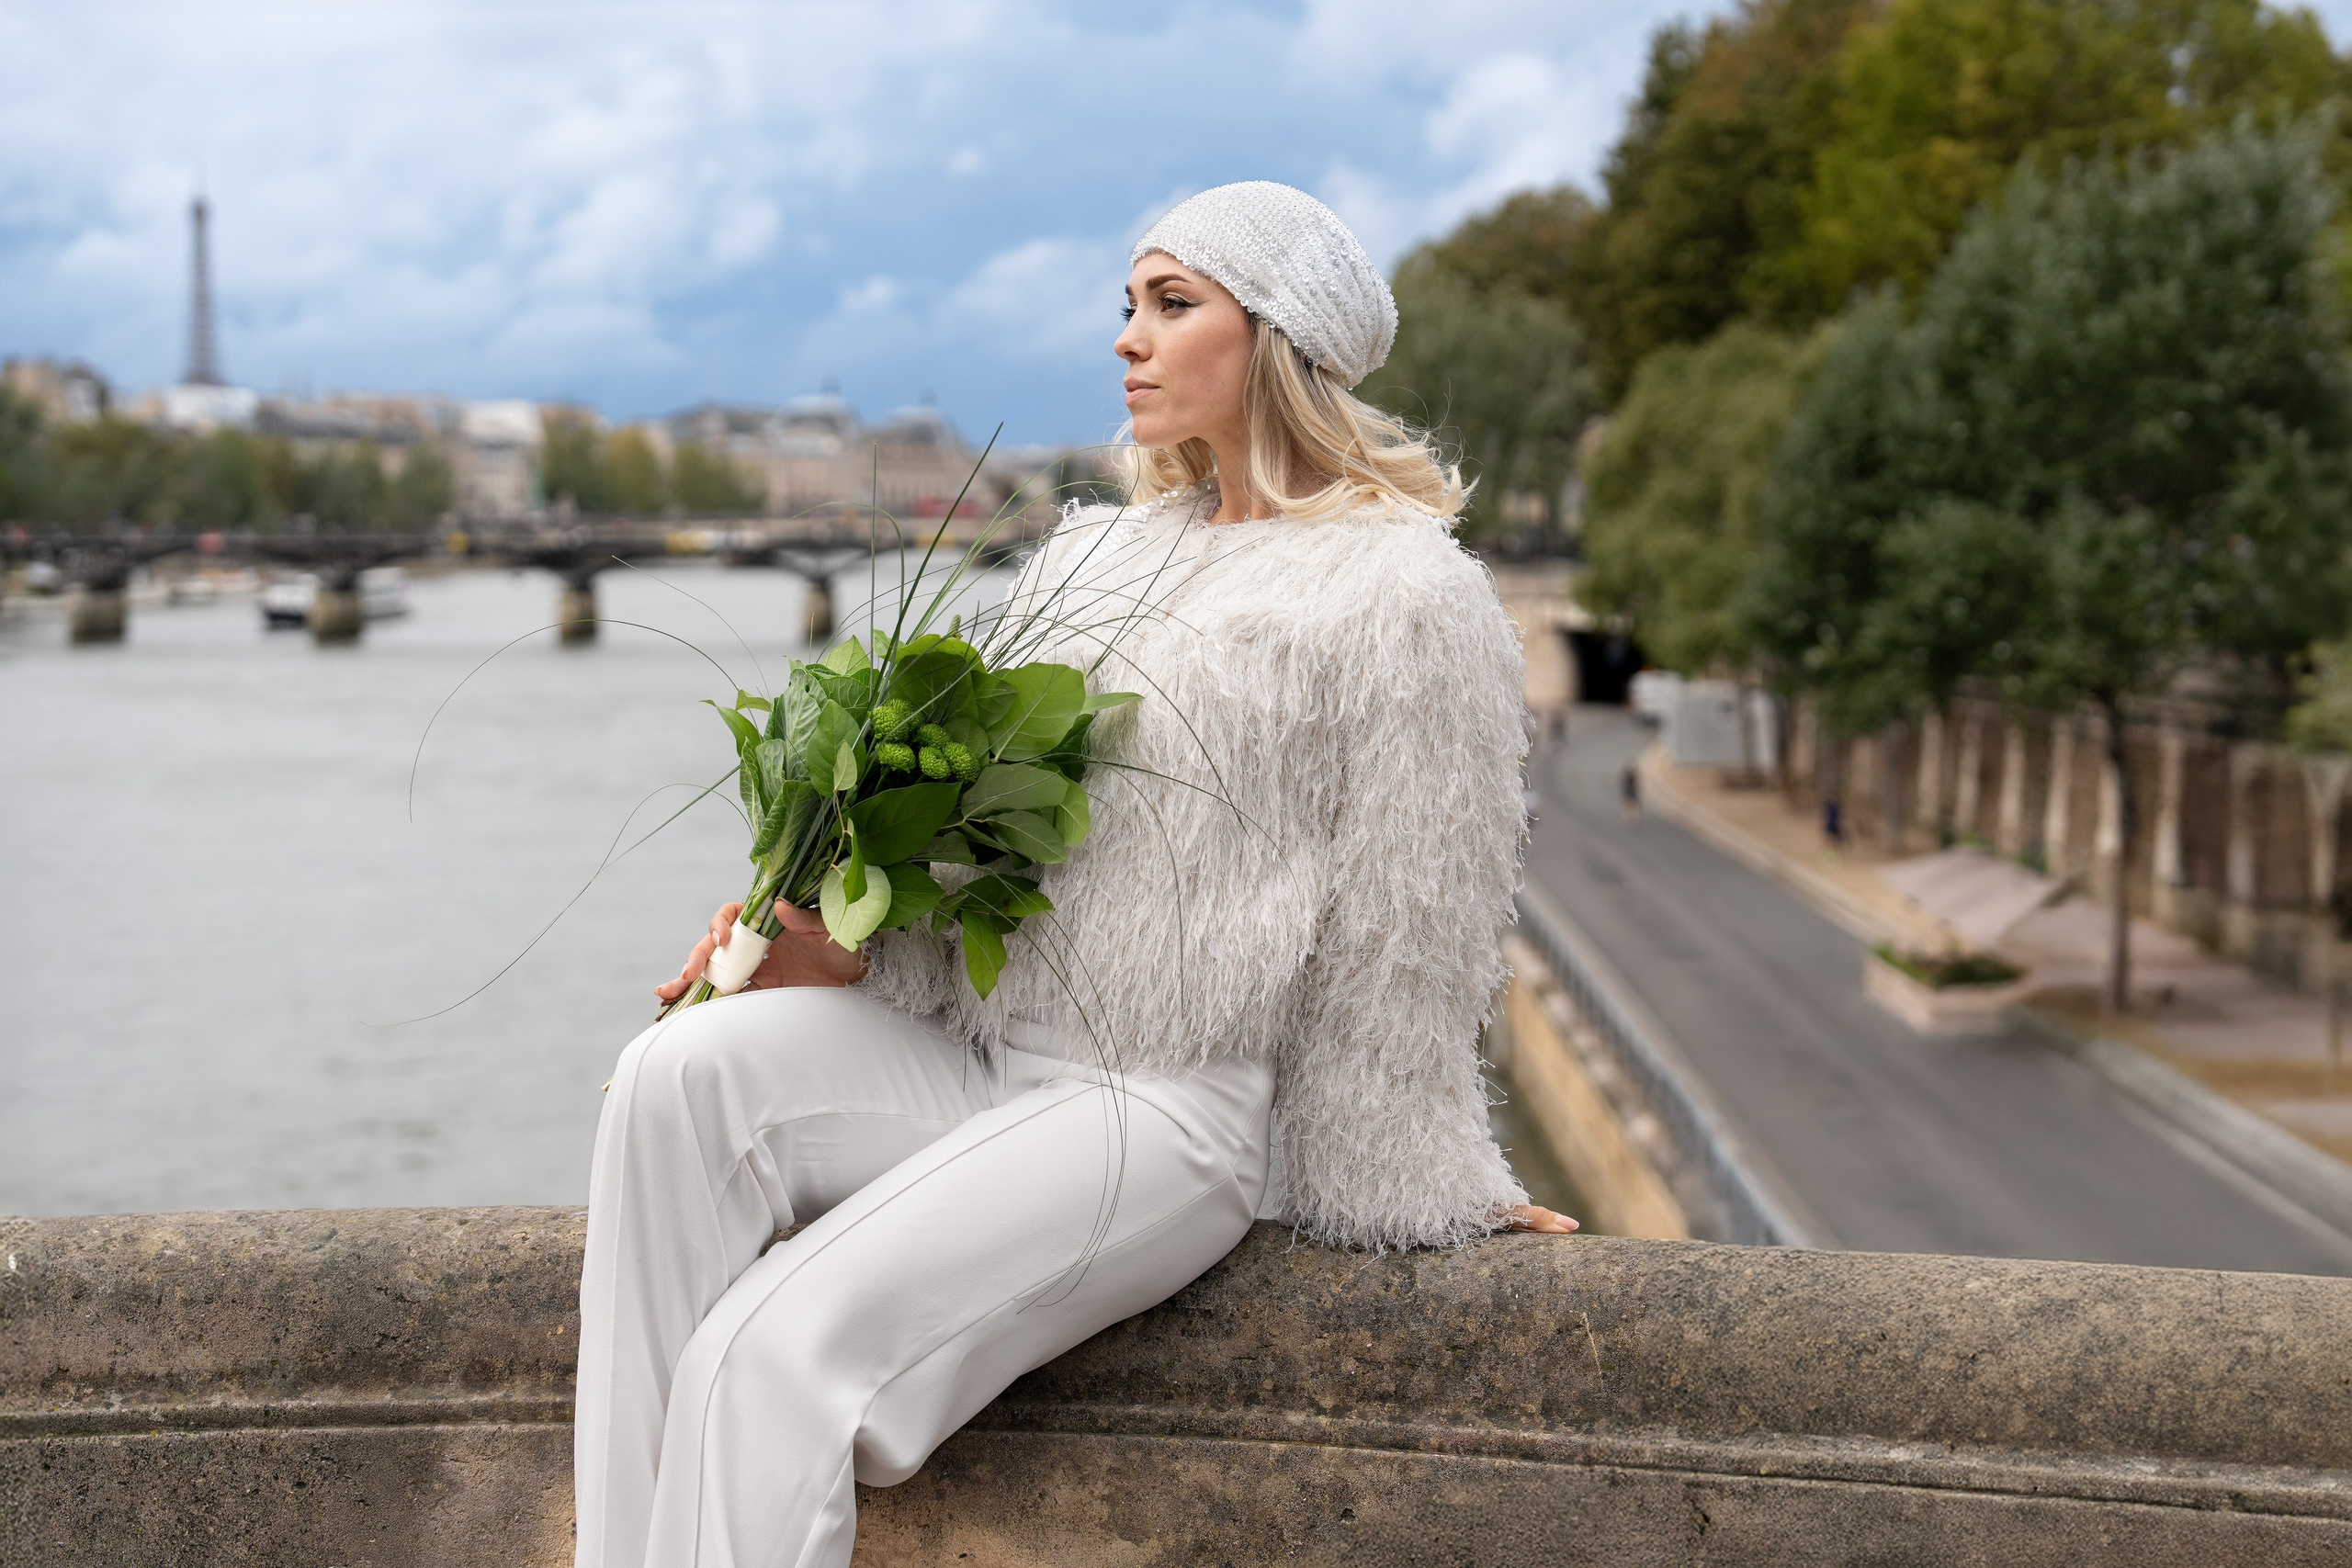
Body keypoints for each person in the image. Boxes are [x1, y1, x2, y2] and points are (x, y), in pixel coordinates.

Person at [573, 181, 1578, 1568]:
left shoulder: (1408, 591)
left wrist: (1430, 1179)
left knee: (766, 1358)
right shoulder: (1092, 557)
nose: (1128, 338)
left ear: (1279, 338)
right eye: (1129, 304)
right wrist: (836, 943)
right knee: (672, 1077)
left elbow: (1412, 926)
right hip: (986, 1060)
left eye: (1173, 304)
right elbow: (990, 840)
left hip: (1160, 1108)